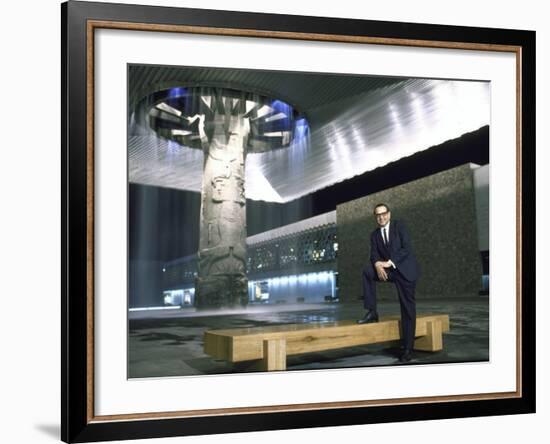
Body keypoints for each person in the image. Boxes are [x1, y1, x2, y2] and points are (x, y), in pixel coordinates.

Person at [357, 203, 420, 363]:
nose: (381, 217)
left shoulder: (400, 226)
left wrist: (389, 262)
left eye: (384, 213)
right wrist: (377, 263)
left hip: (404, 271)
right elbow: (373, 254)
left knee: (407, 310)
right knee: (367, 271)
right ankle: (372, 312)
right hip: (389, 272)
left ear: (389, 214)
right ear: (375, 217)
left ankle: (407, 348)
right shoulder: (374, 235)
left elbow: (406, 249)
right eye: (378, 215)